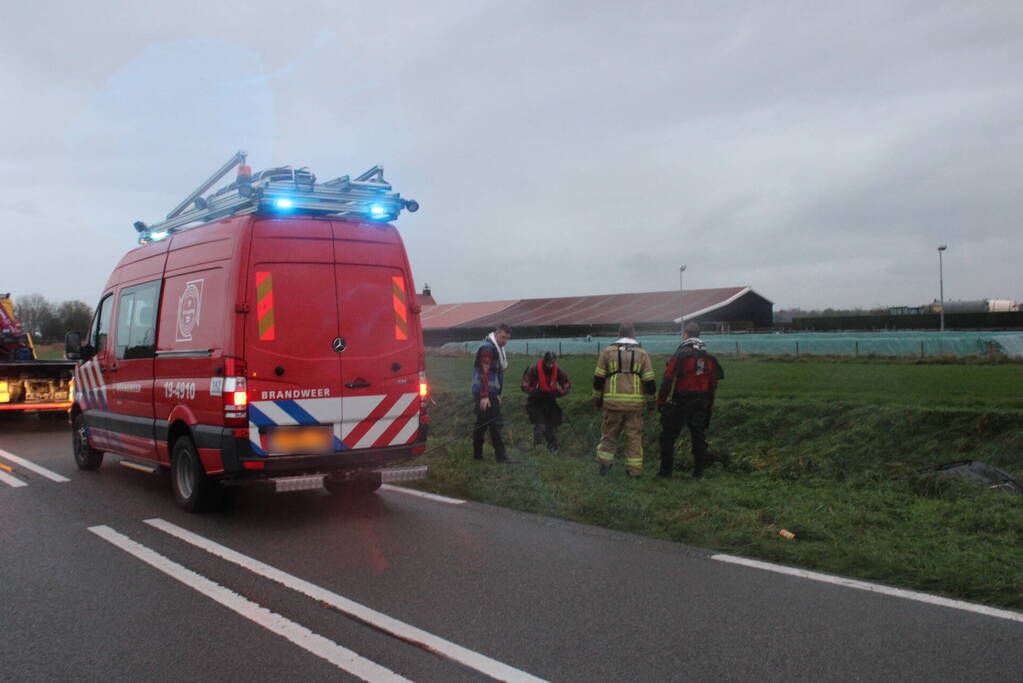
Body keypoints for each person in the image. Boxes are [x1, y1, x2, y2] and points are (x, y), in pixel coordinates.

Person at [657, 322, 724, 479]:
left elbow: (668, 378)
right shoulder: (709, 358)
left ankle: (665, 472)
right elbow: (714, 384)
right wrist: (710, 405)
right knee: (698, 435)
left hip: (682, 398)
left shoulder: (681, 354)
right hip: (703, 400)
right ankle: (698, 472)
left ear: (685, 335)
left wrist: (661, 401)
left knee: (668, 435)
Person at [592, 323, 657, 478]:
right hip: (634, 406)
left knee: (609, 436)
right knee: (634, 438)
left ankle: (604, 467)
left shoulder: (607, 353)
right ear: (633, 334)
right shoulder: (642, 354)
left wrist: (596, 400)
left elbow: (598, 380)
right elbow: (650, 383)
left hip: (612, 404)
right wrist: (651, 404)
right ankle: (634, 473)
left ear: (619, 334)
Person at [471, 324, 514, 463]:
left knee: (482, 423)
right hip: (484, 392)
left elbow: (497, 374)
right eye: (503, 337)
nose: (505, 341)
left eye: (507, 338)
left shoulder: (498, 348)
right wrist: (484, 396)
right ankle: (501, 457)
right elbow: (485, 372)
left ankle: (477, 456)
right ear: (496, 334)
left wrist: (497, 394)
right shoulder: (488, 349)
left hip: (490, 392)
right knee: (495, 423)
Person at [521, 351, 571, 451]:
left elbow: (567, 386)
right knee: (540, 425)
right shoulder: (533, 369)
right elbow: (524, 385)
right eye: (548, 362)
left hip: (550, 401)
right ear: (544, 361)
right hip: (535, 400)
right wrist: (533, 391)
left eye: (552, 363)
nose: (550, 365)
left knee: (552, 426)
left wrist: (559, 393)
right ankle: (538, 447)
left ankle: (553, 448)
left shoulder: (559, 371)